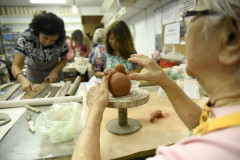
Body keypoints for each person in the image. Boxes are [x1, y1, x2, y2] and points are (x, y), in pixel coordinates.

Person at [72, 0, 240, 159]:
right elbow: (201, 124)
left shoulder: (194, 154)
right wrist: (164, 80)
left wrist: (94, 111)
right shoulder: (228, 116)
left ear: (230, 38)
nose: (185, 32)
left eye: (192, 17)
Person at [12, 11, 68, 92]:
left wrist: (55, 71)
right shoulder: (26, 38)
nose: (48, 42)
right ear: (38, 32)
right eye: (45, 38)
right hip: (33, 80)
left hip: (55, 79)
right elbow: (15, 66)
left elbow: (64, 60)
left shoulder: (61, 40)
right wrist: (22, 79)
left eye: (53, 40)